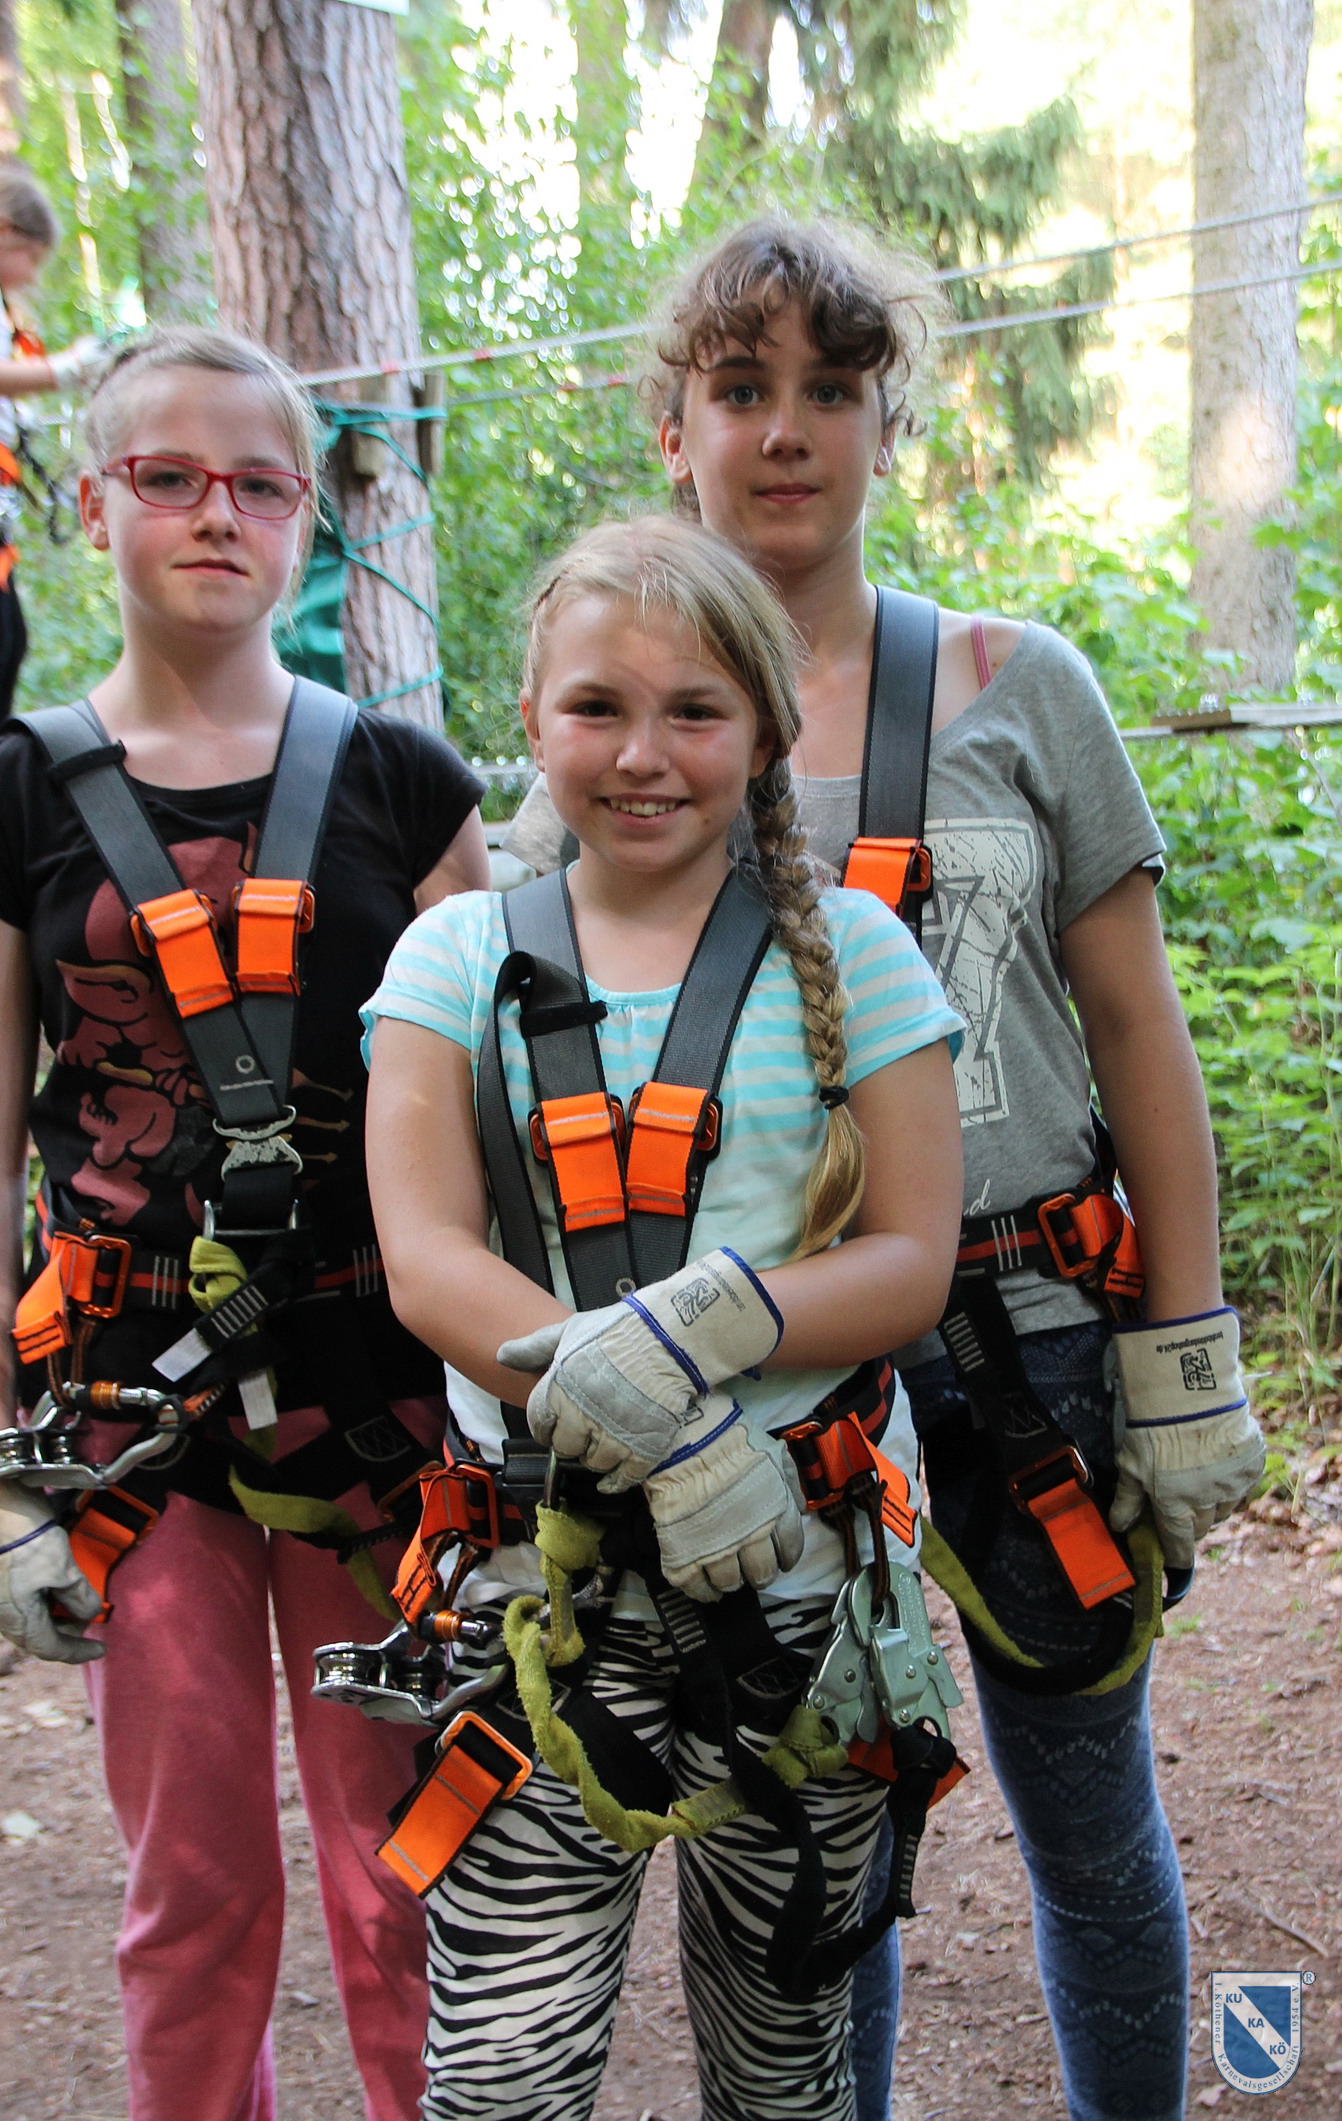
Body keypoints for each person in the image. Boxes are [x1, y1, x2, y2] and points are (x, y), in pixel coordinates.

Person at [504, 221, 1265, 2121]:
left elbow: (1134, 1030)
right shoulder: (623, 735)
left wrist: (1183, 1350)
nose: (784, 430)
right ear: (669, 427)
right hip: (768, 1364)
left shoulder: (1019, 688)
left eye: (829, 389)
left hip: (1026, 1334)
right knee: (824, 1845)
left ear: (887, 421)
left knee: (1086, 1817)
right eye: (738, 388)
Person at [0, 326, 489, 2121]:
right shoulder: (3, 805)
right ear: (92, 506)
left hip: (380, 1399)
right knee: (193, 1885)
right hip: (126, 1413)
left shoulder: (407, 787)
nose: (214, 513)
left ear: (306, 517)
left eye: (257, 483)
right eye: (166, 477)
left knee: (407, 1871)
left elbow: (483, 1131)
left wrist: (515, 1417)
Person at [361, 513, 966, 2121]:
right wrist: (660, 1423)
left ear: (763, 730)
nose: (643, 755)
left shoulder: (858, 955)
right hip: (532, 1596)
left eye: (693, 710)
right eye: (596, 708)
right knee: (500, 2076)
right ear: (529, 719)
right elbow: (426, 1258)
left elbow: (911, 1257)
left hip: (797, 1589)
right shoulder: (451, 960)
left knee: (783, 2063)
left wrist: (702, 1323)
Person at [0, 162, 109, 765]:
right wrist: (64, 369)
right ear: (1, 231)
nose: (31, 275)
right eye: (31, 258)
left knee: (3, 641)